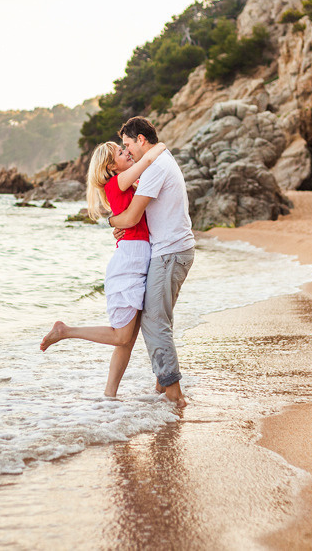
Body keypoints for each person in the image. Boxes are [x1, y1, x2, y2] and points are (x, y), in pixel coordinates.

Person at [40, 139, 167, 398]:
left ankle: (111, 396)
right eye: (121, 152)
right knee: (121, 337)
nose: (127, 152)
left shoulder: (128, 186)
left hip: (136, 261)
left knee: (127, 340)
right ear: (111, 166)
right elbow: (146, 162)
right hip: (129, 266)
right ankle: (65, 331)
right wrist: (159, 146)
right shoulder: (115, 183)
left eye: (126, 148)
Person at [109, 117, 195, 408]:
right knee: (161, 319)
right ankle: (162, 386)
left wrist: (112, 221)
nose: (128, 150)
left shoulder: (155, 167)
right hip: (174, 250)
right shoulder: (160, 161)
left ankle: (175, 396)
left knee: (154, 321)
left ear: (141, 140)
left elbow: (132, 216)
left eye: (128, 144)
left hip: (170, 253)